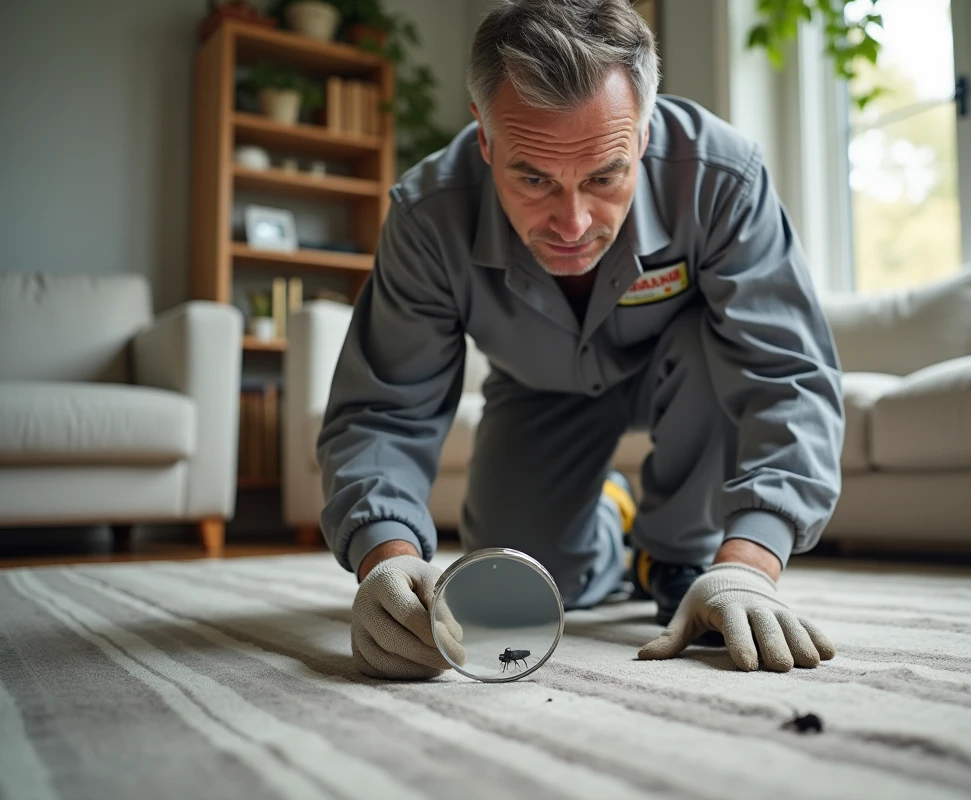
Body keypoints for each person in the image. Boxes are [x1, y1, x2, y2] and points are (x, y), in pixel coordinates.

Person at [317, 0, 845, 680]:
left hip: (690, 378)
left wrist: (749, 565)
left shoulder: (722, 177)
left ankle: (676, 549)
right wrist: (384, 560)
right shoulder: (428, 216)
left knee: (714, 352)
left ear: (645, 132)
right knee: (528, 582)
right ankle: (612, 518)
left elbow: (789, 374)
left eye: (604, 176)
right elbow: (383, 408)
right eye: (533, 177)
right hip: (539, 391)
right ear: (484, 139)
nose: (572, 222)